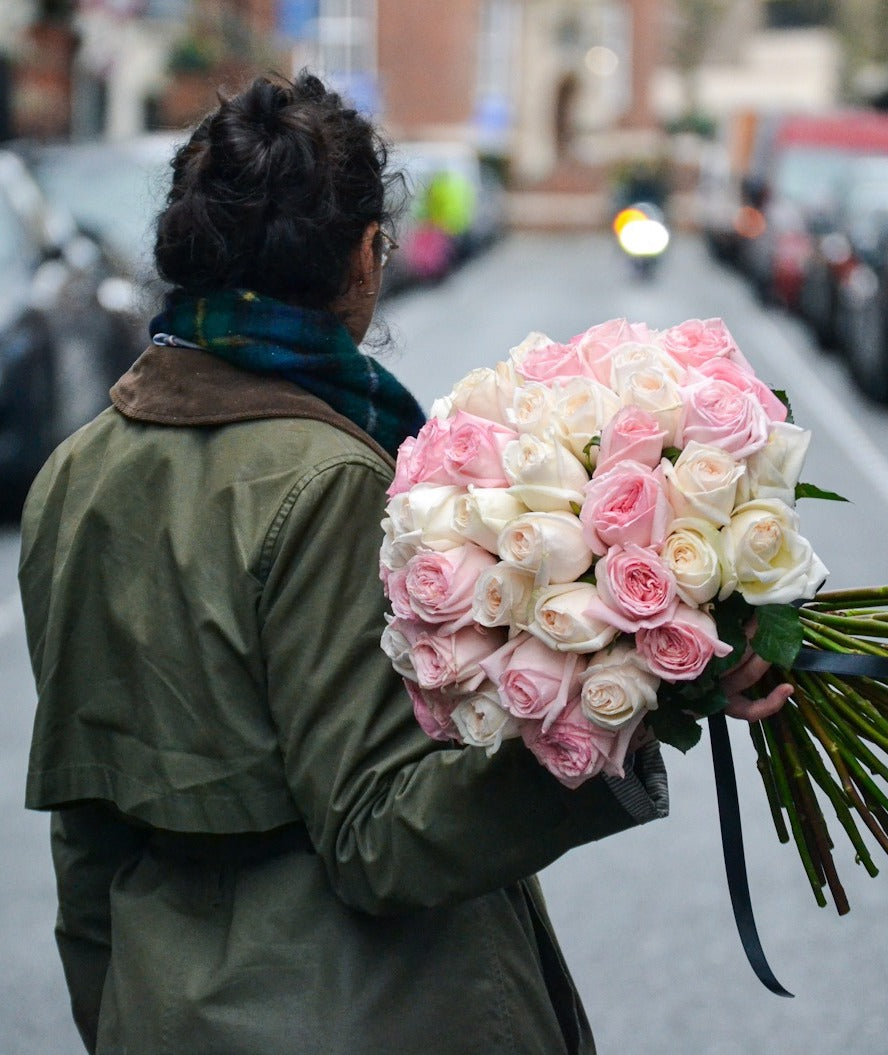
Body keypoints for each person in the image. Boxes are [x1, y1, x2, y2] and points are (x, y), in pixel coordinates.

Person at [19, 72, 792, 1055]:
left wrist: (124, 1014)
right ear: (362, 256)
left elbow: (84, 831)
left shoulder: (73, 475)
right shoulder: (332, 478)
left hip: (157, 1010)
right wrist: (640, 695)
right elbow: (377, 835)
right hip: (366, 1015)